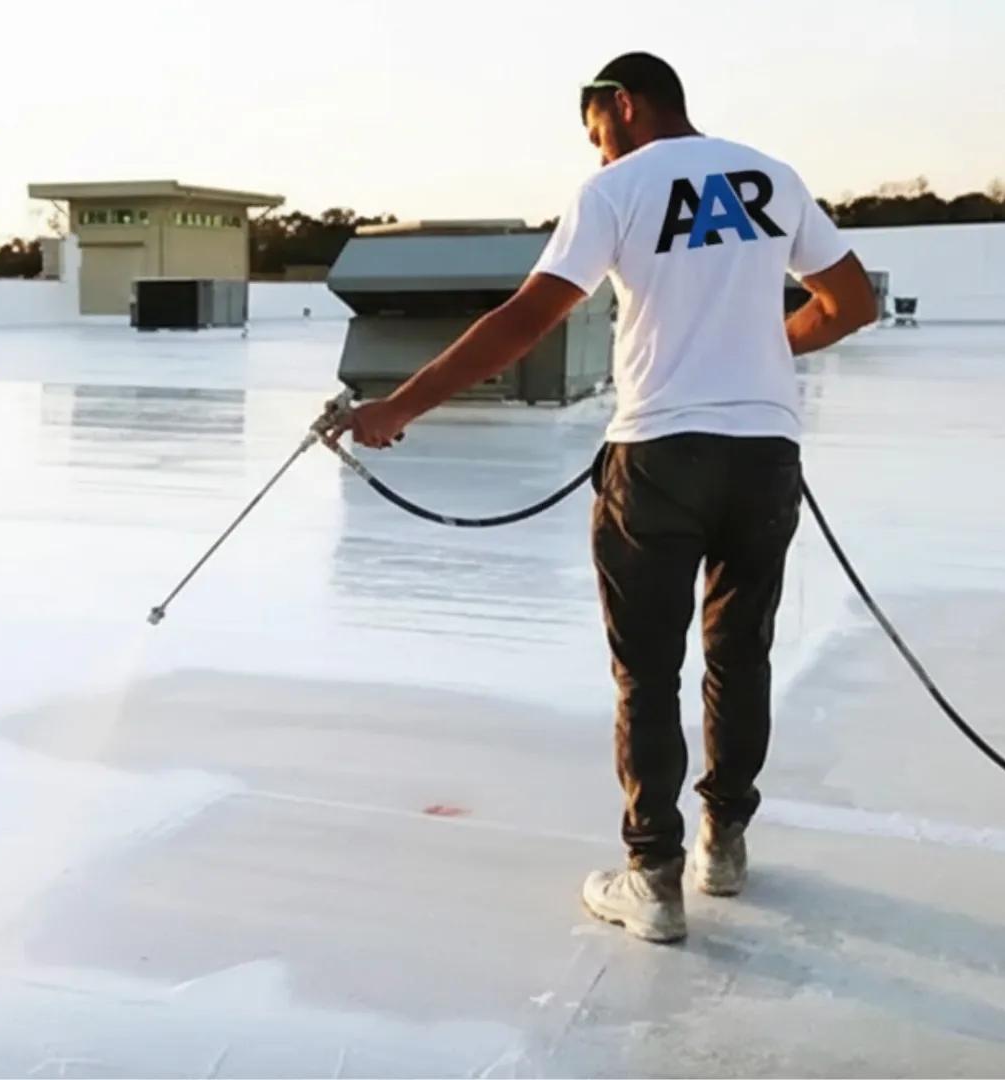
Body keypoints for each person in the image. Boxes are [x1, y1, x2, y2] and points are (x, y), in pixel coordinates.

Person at [330, 51, 878, 944]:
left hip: (658, 456)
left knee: (647, 671)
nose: (596, 153)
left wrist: (400, 405)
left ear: (621, 105)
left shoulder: (617, 189)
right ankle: (724, 844)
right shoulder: (772, 178)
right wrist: (762, 353)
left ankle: (653, 880)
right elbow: (849, 302)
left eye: (595, 131)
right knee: (741, 655)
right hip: (765, 455)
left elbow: (527, 318)